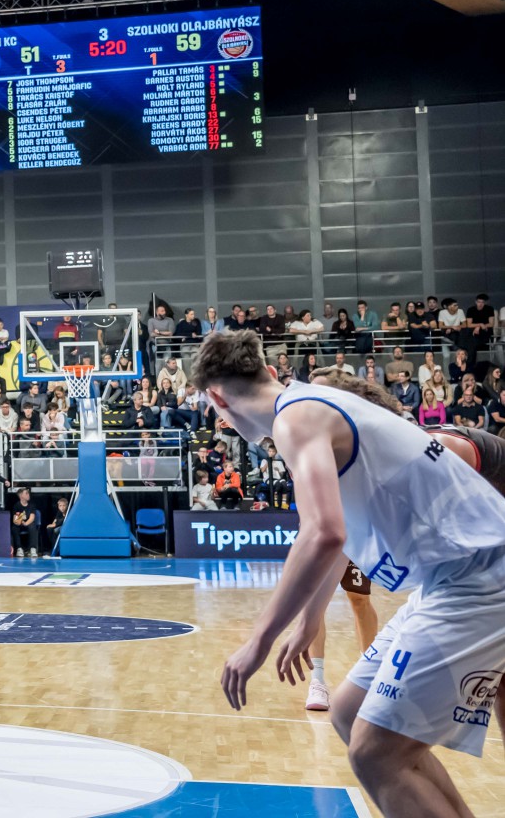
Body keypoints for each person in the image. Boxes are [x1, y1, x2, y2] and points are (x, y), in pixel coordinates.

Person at [198, 331, 505, 817]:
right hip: (451, 578)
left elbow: (323, 533)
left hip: (481, 574)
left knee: (375, 753)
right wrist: (306, 621)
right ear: (270, 372)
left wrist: (258, 640)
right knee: (349, 712)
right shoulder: (308, 404)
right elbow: (335, 536)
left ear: (217, 399)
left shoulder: (295, 419)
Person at [10, 486, 40, 557]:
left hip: (28, 523)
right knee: (14, 528)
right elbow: (15, 520)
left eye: (28, 493)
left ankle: (32, 549)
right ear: (21, 496)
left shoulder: (31, 505)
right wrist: (20, 521)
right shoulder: (17, 505)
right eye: (26, 493)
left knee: (32, 527)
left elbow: (32, 518)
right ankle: (19, 549)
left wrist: (26, 523)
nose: (28, 495)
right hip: (20, 523)